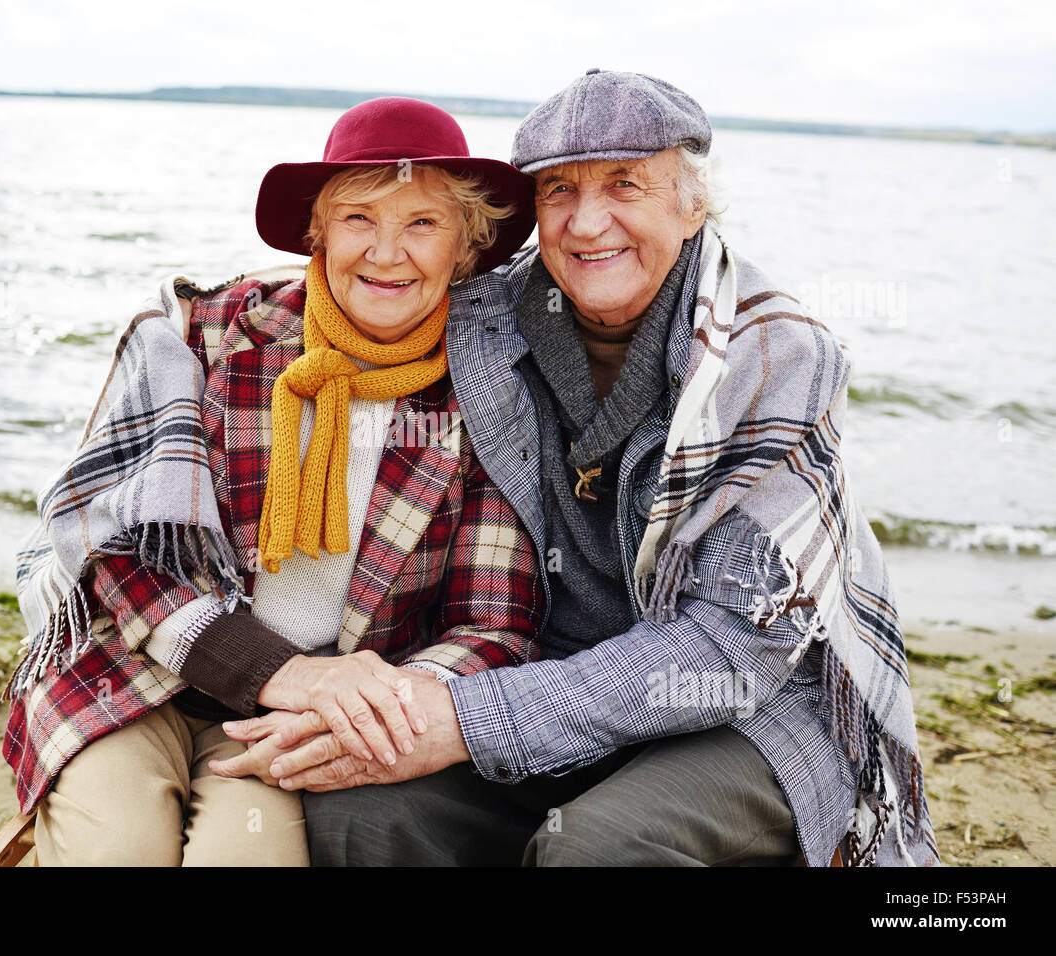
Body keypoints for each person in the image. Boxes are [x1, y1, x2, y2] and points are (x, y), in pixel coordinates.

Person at [219, 71, 939, 867]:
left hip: (747, 705)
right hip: (544, 672)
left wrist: (462, 720)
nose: (589, 222)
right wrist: (191, 324)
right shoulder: (488, 316)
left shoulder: (772, 354)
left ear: (693, 202)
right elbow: (361, 291)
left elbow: (738, 649)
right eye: (560, 190)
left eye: (625, 184)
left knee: (599, 849)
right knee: (361, 814)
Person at [0, 96, 542, 865]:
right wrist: (283, 673)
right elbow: (110, 540)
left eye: (422, 223)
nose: (387, 253)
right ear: (316, 233)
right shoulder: (204, 332)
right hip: (130, 669)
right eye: (358, 219)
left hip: (298, 720)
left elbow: (493, 623)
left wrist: (371, 706)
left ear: (466, 246)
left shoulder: (488, 398)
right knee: (116, 851)